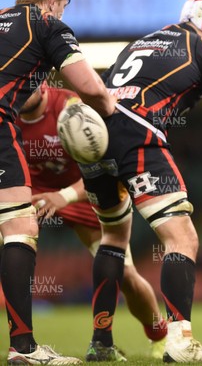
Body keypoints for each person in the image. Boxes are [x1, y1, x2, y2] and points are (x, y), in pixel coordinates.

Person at [78, 0, 202, 362]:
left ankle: (100, 342)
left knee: (113, 238)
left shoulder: (142, 41)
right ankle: (179, 343)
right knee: (182, 238)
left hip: (96, 133)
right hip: (138, 136)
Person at [0, 0, 116, 363]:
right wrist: (112, 113)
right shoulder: (46, 24)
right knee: (19, 226)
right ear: (54, 0)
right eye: (66, 5)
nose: (64, 12)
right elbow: (94, 89)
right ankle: (23, 348)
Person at [14, 84, 168, 360]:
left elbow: (107, 166)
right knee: (12, 245)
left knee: (126, 275)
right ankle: (23, 346)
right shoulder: (7, 112)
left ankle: (159, 334)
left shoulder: (70, 107)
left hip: (86, 193)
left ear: (44, 80)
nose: (23, 89)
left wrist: (64, 196)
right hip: (34, 194)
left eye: (30, 83)